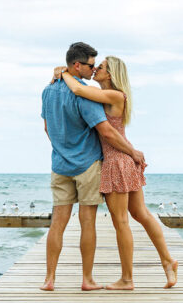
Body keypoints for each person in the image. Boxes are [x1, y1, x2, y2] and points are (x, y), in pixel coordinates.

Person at [53, 55, 178, 290]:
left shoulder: (114, 95)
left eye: (99, 67)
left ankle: (128, 279)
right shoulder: (108, 95)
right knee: (141, 214)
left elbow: (79, 92)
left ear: (110, 74)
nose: (95, 69)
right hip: (124, 158)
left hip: (116, 160)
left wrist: (66, 73)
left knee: (122, 221)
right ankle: (168, 261)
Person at [41, 42, 145, 292]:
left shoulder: (47, 90)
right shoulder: (83, 94)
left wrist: (62, 149)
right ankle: (87, 279)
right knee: (88, 221)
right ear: (77, 65)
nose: (93, 69)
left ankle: (49, 279)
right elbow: (106, 131)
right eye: (90, 65)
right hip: (87, 164)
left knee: (58, 222)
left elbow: (46, 127)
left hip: (59, 165)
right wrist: (133, 152)